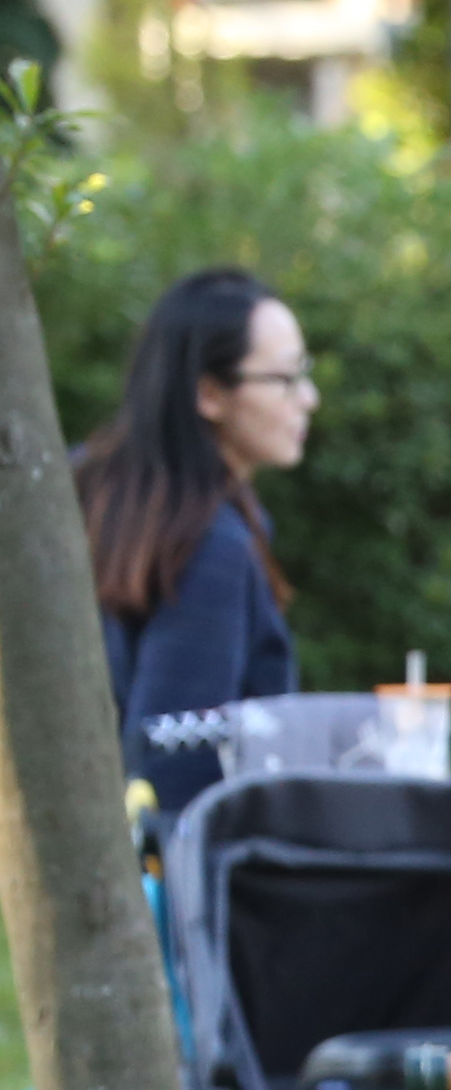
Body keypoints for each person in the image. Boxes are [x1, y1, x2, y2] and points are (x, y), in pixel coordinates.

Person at [80, 266, 313, 821]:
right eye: (285, 379)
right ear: (209, 393)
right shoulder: (210, 545)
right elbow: (175, 768)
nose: (309, 398)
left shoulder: (88, 490)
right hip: (170, 887)